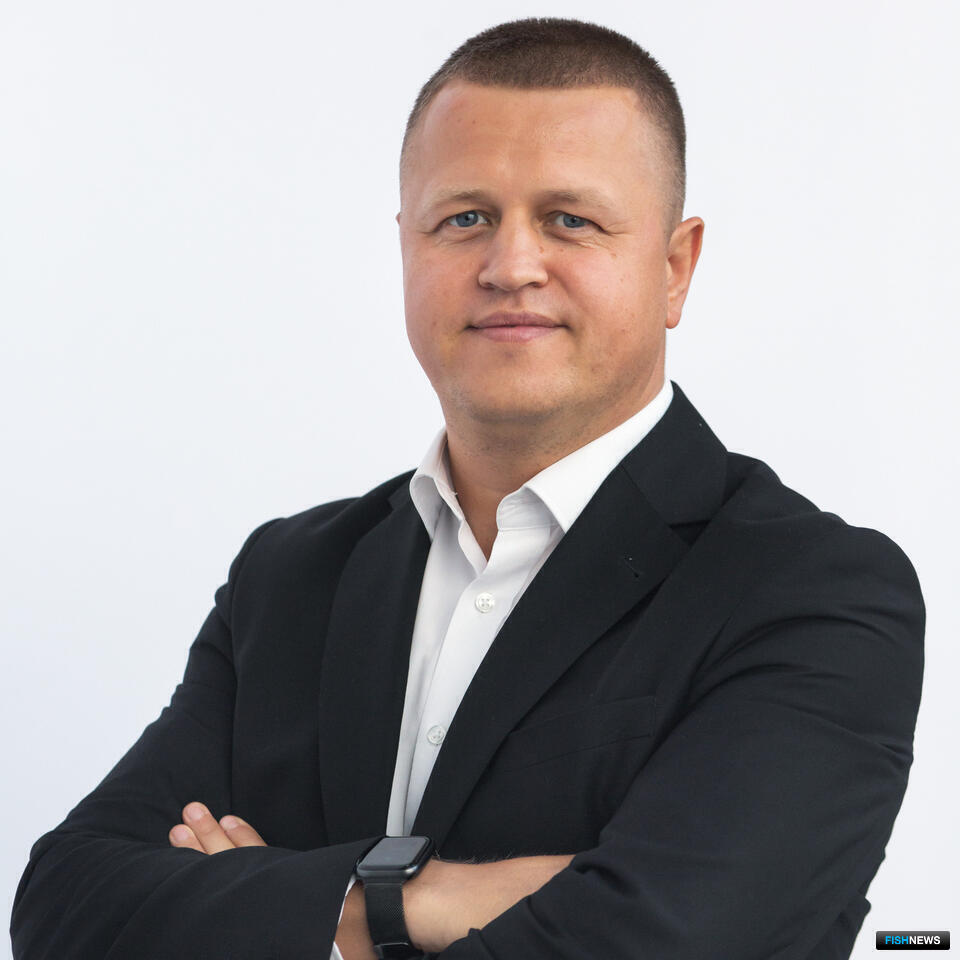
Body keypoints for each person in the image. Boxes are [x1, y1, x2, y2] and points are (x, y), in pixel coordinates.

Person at [10, 16, 924, 960]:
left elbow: (671, 942)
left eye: (570, 219)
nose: (511, 266)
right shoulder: (289, 580)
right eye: (465, 219)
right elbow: (63, 908)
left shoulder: (813, 594)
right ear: (405, 248)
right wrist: (431, 896)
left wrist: (283, 904)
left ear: (674, 269)